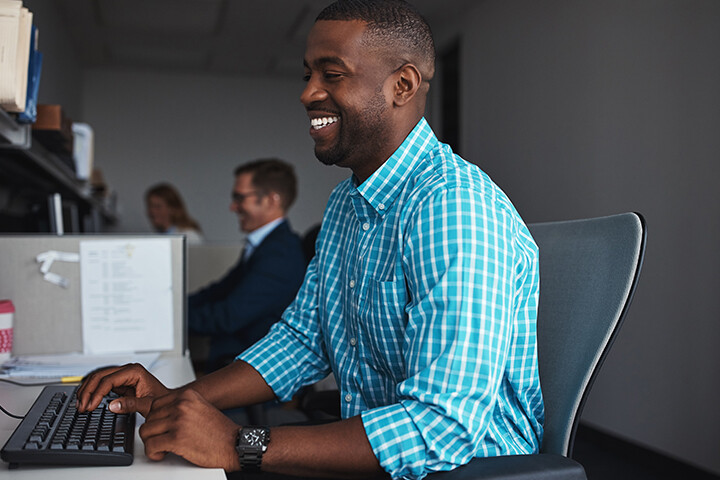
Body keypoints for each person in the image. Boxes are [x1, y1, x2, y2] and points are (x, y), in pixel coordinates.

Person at [77, 1, 544, 479]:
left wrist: (239, 443)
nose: (307, 93)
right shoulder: (347, 203)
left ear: (401, 85)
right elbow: (302, 340)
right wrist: (177, 398)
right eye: (307, 74)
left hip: (469, 467)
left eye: (332, 73)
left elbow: (444, 427)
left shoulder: (452, 207)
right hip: (380, 453)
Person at [188, 159, 306, 373]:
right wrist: (173, 308)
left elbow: (227, 317)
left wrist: (172, 319)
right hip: (233, 363)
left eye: (240, 198)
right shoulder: (265, 246)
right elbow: (218, 291)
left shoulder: (280, 255)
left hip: (250, 374)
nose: (232, 207)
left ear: (271, 200)